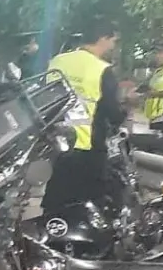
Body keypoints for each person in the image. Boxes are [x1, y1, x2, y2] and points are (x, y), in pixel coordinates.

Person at [43, 17, 125, 212]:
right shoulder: (102, 69)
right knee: (89, 203)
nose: (113, 45)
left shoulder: (58, 61)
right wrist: (126, 108)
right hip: (88, 146)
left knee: (57, 196)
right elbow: (113, 113)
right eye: (114, 40)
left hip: (56, 143)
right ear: (103, 38)